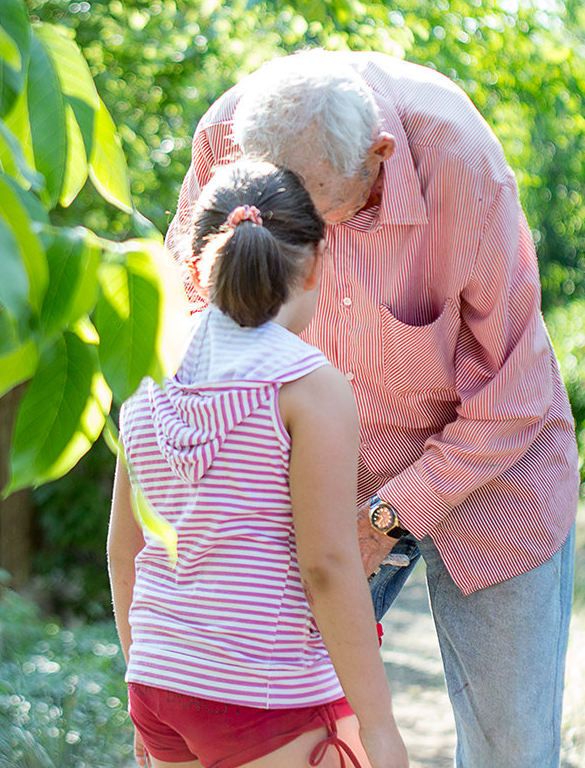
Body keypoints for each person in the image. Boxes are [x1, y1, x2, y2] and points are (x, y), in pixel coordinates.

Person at [165, 50, 580, 768]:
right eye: (276, 209)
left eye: (315, 210)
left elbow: (516, 389)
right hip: (320, 481)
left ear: (377, 157)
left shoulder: (461, 160)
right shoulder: (223, 137)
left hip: (494, 474)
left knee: (511, 749)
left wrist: (391, 515)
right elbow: (195, 324)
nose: (298, 237)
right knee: (282, 733)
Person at [108, 159, 409, 768]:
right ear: (318, 262)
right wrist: (380, 729)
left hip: (160, 682)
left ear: (198, 263)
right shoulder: (306, 385)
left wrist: (145, 674)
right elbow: (326, 565)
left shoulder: (147, 362)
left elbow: (123, 545)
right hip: (265, 692)